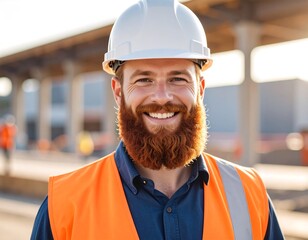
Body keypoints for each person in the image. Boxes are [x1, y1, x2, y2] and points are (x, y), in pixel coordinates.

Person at [31, 0, 284, 239]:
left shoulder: (250, 195)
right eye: (144, 80)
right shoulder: (63, 206)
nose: (162, 97)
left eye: (178, 78)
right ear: (118, 91)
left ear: (200, 89)